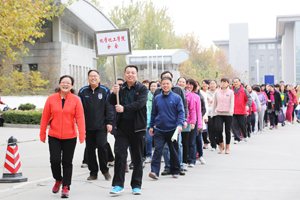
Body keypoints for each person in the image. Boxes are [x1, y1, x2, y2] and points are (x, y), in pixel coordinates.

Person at [40, 75, 85, 198]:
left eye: (68, 83)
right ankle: (58, 179)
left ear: (71, 85)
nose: (65, 84)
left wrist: (82, 134)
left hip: (70, 136)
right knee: (54, 160)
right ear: (59, 84)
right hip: (54, 135)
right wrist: (42, 133)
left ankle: (66, 186)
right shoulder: (51, 99)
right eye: (63, 82)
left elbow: (80, 118)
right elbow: (44, 117)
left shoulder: (76, 100)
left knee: (67, 162)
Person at [109, 65, 148, 195]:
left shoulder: (142, 89)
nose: (130, 75)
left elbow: (140, 104)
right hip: (122, 127)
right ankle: (118, 185)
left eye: (133, 73)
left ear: (137, 75)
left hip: (137, 127)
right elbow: (110, 102)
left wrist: (124, 108)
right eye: (128, 72)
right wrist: (114, 93)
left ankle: (136, 185)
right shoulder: (121, 89)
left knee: (137, 157)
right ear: (124, 75)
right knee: (120, 155)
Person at [78, 70, 114, 181]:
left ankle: (105, 170)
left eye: (95, 76)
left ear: (99, 78)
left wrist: (109, 122)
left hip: (101, 125)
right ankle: (93, 172)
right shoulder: (83, 91)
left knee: (102, 146)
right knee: (90, 149)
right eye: (91, 76)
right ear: (88, 78)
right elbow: (79, 109)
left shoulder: (105, 90)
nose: (93, 78)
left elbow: (109, 107)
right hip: (87, 126)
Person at [149, 77, 185, 179]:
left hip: (173, 130)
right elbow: (153, 113)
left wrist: (180, 125)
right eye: (163, 84)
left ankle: (175, 170)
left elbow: (181, 113)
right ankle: (154, 172)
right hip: (159, 129)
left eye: (167, 84)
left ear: (171, 85)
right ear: (161, 85)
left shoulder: (177, 98)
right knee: (157, 151)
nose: (165, 85)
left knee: (174, 150)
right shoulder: (157, 98)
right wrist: (151, 126)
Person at [177, 78, 196, 171]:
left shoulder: (189, 94)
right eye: (179, 81)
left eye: (183, 82)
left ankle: (184, 162)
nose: (181, 83)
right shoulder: (173, 92)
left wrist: (193, 122)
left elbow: (192, 109)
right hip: (175, 121)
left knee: (185, 142)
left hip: (186, 121)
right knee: (175, 142)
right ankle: (176, 161)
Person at [212, 78, 234, 154]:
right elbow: (214, 103)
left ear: (228, 83)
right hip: (219, 113)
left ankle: (227, 147)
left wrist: (231, 110)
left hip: (228, 114)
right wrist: (212, 112)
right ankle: (221, 145)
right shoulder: (217, 92)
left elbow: (232, 102)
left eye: (225, 82)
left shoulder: (230, 92)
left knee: (227, 131)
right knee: (218, 129)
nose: (224, 83)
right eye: (222, 82)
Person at [186, 79, 203, 166]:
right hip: (185, 121)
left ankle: (192, 160)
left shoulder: (196, 97)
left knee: (192, 141)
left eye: (191, 84)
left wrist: (199, 124)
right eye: (187, 84)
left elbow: (198, 111)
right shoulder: (182, 95)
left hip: (193, 122)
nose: (189, 86)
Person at [232, 78, 251, 144]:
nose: (235, 83)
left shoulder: (244, 90)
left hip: (242, 111)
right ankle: (237, 138)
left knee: (242, 125)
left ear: (240, 83)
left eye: (237, 82)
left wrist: (248, 105)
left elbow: (249, 99)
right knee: (234, 125)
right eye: (234, 82)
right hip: (233, 111)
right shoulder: (231, 91)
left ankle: (245, 135)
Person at [145, 81, 159, 163]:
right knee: (148, 140)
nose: (153, 87)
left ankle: (158, 155)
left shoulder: (160, 96)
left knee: (158, 140)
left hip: (158, 122)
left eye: (155, 86)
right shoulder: (146, 96)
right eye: (151, 86)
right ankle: (149, 155)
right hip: (148, 122)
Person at [207, 80, 218, 150]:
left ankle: (219, 141)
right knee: (210, 129)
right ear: (209, 85)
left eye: (213, 84)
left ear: (216, 84)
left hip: (218, 113)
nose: (212, 85)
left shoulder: (219, 92)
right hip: (209, 113)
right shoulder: (206, 93)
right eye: (211, 84)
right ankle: (213, 145)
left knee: (217, 129)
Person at [200, 80, 210, 149]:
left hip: (212, 113)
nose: (204, 85)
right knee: (204, 129)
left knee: (211, 129)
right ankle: (205, 142)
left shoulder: (210, 92)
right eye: (203, 84)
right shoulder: (200, 92)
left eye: (206, 84)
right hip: (204, 113)